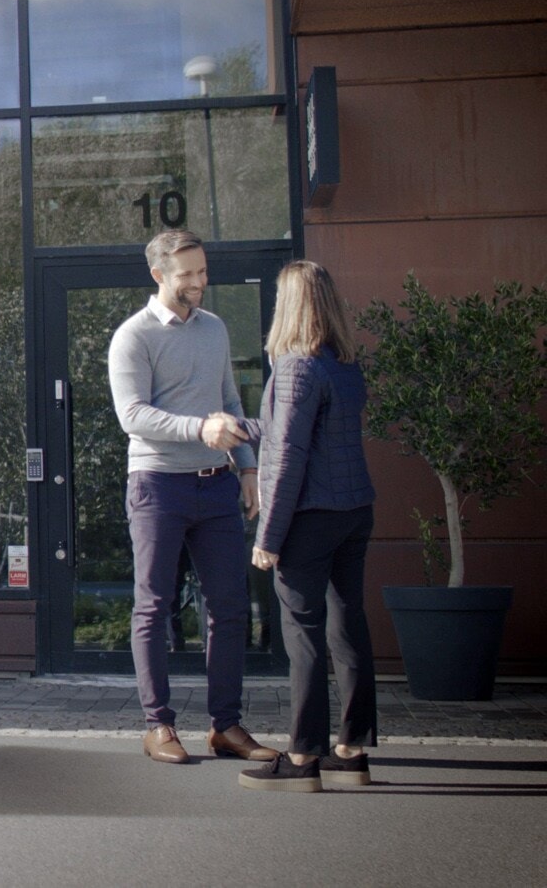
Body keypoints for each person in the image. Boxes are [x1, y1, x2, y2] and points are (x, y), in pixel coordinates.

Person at [107, 229, 277, 764]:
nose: (199, 281)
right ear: (159, 274)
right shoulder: (133, 336)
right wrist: (199, 428)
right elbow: (132, 415)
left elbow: (229, 399)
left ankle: (226, 726)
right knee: (154, 606)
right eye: (188, 274)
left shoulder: (215, 329)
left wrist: (247, 467)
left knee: (229, 607)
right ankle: (158, 725)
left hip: (217, 484)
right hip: (157, 485)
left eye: (202, 271)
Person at [225, 260, 379, 793]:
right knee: (348, 626)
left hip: (309, 520)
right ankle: (351, 752)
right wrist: (239, 426)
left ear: (289, 305)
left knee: (304, 636)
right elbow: (294, 431)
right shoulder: (343, 363)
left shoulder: (294, 366)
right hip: (354, 511)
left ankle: (302, 758)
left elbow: (289, 456)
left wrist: (267, 539)